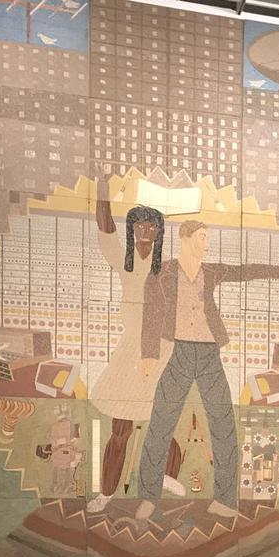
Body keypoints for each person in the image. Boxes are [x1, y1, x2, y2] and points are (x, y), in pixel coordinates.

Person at [135, 220, 279, 521]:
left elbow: (243, 272)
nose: (207, 244)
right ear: (185, 238)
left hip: (209, 353)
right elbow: (150, 311)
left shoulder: (211, 271)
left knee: (223, 424)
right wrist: (148, 355)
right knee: (161, 422)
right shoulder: (162, 272)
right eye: (202, 237)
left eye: (208, 237)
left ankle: (224, 499)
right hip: (177, 352)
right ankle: (148, 496)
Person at [86, 176, 185, 514]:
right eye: (139, 225)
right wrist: (102, 190)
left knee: (163, 421)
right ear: (132, 230)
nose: (145, 231)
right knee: (121, 430)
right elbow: (105, 228)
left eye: (152, 226)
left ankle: (167, 475)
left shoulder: (168, 269)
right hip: (130, 353)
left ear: (159, 232)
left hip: (160, 351)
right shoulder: (124, 260)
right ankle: (107, 492)